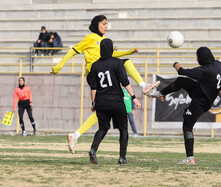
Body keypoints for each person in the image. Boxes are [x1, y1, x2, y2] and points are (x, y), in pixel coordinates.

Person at [50, 15, 159, 153]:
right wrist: (58, 67)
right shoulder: (90, 38)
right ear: (96, 25)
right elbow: (73, 51)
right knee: (126, 63)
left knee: (102, 109)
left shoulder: (104, 41)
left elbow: (112, 54)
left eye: (107, 24)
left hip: (104, 71)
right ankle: (143, 86)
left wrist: (129, 51)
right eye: (103, 24)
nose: (106, 26)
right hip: (95, 72)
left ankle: (75, 135)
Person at [148, 47, 221, 165]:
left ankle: (190, 158)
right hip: (201, 91)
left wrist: (176, 65)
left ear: (202, 57)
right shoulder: (218, 64)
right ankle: (161, 94)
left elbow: (182, 71)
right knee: (181, 81)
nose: (196, 58)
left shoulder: (203, 70)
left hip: (202, 101)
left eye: (197, 56)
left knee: (187, 125)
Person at [87, 38, 141, 164]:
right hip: (116, 102)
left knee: (102, 128)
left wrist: (93, 103)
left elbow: (93, 87)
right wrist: (134, 98)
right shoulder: (117, 63)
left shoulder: (95, 65)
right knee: (123, 129)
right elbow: (125, 82)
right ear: (111, 49)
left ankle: (93, 149)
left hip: (101, 102)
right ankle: (122, 157)